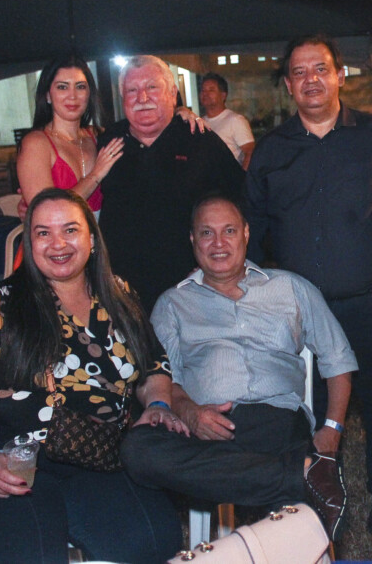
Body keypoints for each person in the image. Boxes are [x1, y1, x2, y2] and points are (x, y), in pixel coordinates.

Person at [0, 188, 185, 564]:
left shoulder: (119, 295)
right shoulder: (0, 303)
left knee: (155, 541)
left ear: (92, 239)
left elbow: (153, 364)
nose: (58, 244)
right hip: (7, 454)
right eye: (43, 233)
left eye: (70, 230)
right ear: (30, 243)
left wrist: (159, 402)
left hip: (95, 454)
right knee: (27, 556)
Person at [121, 194, 358, 539]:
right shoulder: (172, 304)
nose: (218, 243)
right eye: (207, 233)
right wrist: (190, 413)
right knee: (137, 450)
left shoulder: (290, 287)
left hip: (276, 422)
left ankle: (288, 479)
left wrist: (332, 429)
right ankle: (301, 475)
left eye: (229, 231)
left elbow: (338, 359)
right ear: (193, 240)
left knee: (291, 532)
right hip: (204, 430)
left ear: (246, 233)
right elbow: (163, 378)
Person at [245, 34, 372, 512]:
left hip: (368, 301)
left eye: (320, 69)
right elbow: (252, 228)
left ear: (340, 76)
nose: (310, 79)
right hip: (298, 312)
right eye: (299, 72)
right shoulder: (270, 151)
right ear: (287, 86)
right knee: (307, 410)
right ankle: (316, 505)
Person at [98, 55, 245, 312]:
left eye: (152, 87)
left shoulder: (200, 139)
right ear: (122, 97)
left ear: (173, 93)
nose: (142, 97)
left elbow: (242, 203)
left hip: (191, 295)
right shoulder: (108, 141)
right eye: (132, 90)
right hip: (121, 298)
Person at [16, 55, 124, 217]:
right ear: (47, 95)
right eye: (62, 87)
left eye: (80, 87)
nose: (72, 96)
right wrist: (95, 175)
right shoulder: (36, 143)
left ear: (89, 93)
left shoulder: (99, 136)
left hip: (104, 232)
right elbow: (47, 212)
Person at [200, 72, 255, 169]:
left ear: (223, 95)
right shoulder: (199, 123)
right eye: (203, 90)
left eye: (211, 90)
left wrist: (242, 176)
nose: (205, 94)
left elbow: (250, 152)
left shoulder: (235, 120)